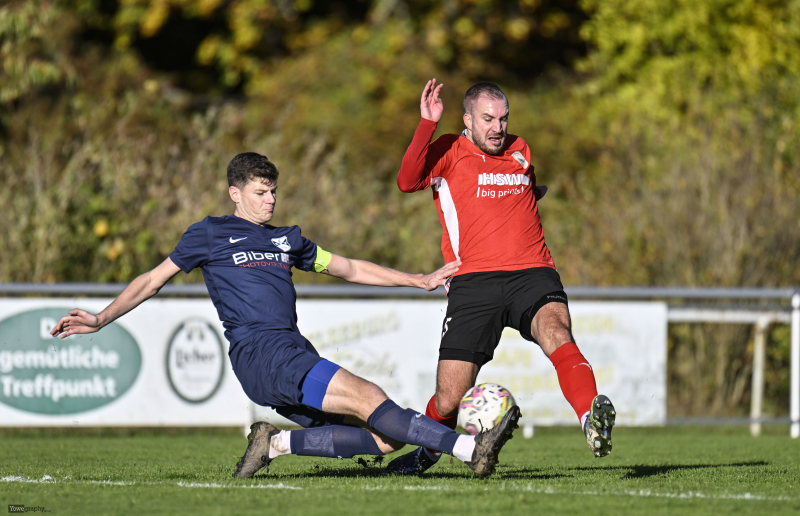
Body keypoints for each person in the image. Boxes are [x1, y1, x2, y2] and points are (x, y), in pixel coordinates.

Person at [50, 152, 520, 478]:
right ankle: (467, 449)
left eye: (272, 191)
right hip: (262, 352)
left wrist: (417, 279)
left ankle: (274, 444)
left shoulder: (286, 239)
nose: (269, 200)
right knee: (371, 396)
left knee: (382, 438)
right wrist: (100, 318)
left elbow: (349, 267)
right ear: (234, 193)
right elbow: (152, 279)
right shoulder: (209, 234)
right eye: (259, 192)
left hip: (290, 351)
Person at [384, 80, 615, 475]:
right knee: (448, 399)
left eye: (503, 118)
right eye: (488, 119)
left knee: (557, 331)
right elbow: (407, 181)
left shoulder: (520, 149)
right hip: (474, 281)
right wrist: (426, 124)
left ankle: (590, 420)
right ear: (468, 120)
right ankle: (427, 452)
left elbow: (526, 191)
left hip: (532, 271)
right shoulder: (447, 150)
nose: (498, 127)